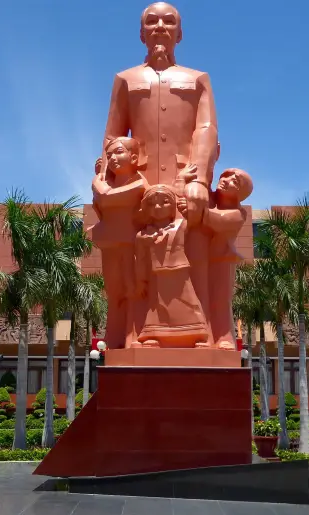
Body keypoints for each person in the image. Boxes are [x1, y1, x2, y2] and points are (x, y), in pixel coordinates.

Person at [99, 2, 219, 345]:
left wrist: (199, 180)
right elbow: (112, 136)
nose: (160, 26)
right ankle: (136, 335)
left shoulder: (197, 79)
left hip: (184, 183)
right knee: (138, 262)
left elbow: (206, 129)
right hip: (138, 187)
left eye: (169, 21)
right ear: (141, 33)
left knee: (191, 258)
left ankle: (200, 336)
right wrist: (107, 185)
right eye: (151, 21)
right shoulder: (126, 79)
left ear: (180, 33)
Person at [90, 136, 149, 349]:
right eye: (109, 155)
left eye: (119, 152)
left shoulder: (141, 183)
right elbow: (102, 202)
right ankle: (114, 338)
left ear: (134, 157)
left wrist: (99, 178)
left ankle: (133, 336)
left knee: (133, 290)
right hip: (110, 243)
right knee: (114, 292)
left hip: (132, 243)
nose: (113, 158)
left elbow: (106, 197)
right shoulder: (105, 183)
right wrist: (102, 179)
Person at [134, 184, 208, 348]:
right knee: (156, 307)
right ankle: (153, 335)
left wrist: (186, 188)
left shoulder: (182, 225)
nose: (158, 207)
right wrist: (141, 281)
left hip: (180, 273)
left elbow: (197, 215)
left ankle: (198, 335)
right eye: (152, 204)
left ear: (173, 205)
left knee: (188, 303)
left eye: (164, 202)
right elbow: (140, 260)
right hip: (157, 277)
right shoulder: (142, 236)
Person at [202, 168, 253, 349]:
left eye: (234, 181)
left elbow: (217, 220)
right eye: (226, 176)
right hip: (199, 258)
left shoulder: (238, 214)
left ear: (240, 194)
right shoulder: (207, 197)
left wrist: (196, 208)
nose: (225, 180)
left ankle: (224, 338)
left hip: (222, 259)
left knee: (220, 300)